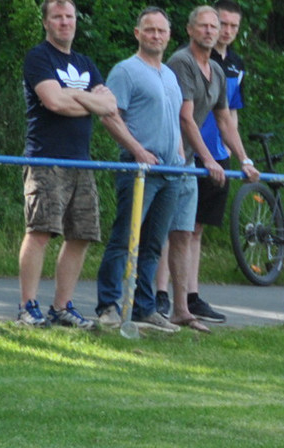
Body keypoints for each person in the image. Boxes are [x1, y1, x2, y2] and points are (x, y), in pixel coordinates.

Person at [17, 0, 116, 330]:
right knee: (40, 232)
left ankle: (61, 307)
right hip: (46, 159)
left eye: (69, 17)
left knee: (83, 235)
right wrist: (89, 101)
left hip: (81, 162)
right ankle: (28, 306)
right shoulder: (38, 57)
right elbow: (53, 101)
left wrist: (80, 101)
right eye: (57, 17)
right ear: (46, 22)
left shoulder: (85, 62)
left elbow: (109, 106)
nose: (64, 22)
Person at [159, 4, 258, 332]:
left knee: (191, 229)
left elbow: (227, 116)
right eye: (212, 25)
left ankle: (187, 298)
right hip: (180, 156)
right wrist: (207, 158)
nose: (218, 31)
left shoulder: (225, 68)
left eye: (224, 26)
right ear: (191, 29)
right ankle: (158, 294)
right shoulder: (182, 62)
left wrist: (242, 157)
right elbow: (185, 117)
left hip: (209, 157)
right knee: (164, 228)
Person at [93, 6, 183, 333]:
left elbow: (174, 122)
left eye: (161, 31)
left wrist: (181, 156)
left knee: (152, 245)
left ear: (169, 36)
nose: (155, 36)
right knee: (123, 239)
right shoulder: (126, 71)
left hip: (171, 174)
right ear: (137, 33)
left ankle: (146, 308)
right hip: (138, 171)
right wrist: (138, 151)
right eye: (149, 30)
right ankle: (108, 306)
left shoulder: (170, 75)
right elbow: (108, 115)